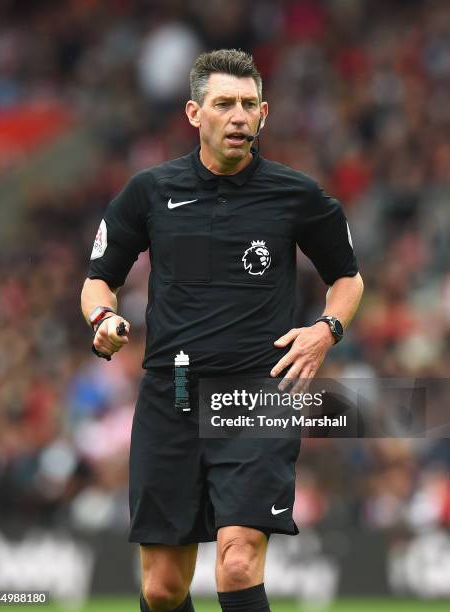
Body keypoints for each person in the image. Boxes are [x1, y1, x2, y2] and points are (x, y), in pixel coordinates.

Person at [81, 49, 364, 612]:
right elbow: (97, 280)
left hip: (257, 394)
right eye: (223, 104)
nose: (238, 116)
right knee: (163, 589)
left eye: (249, 105)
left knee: (237, 562)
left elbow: (349, 280)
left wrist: (325, 330)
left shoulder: (298, 196)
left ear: (265, 114)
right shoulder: (149, 191)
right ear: (194, 113)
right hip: (171, 394)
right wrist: (103, 319)